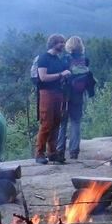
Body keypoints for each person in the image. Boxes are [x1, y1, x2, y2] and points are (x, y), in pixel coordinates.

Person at [56, 36, 96, 160]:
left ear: (68, 46)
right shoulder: (86, 60)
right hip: (78, 95)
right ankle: (74, 152)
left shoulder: (65, 59)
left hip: (65, 95)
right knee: (76, 123)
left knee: (62, 123)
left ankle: (60, 150)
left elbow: (60, 77)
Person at [35, 34, 70, 164]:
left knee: (56, 123)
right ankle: (39, 154)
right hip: (46, 93)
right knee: (46, 123)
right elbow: (43, 77)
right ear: (53, 43)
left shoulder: (58, 59)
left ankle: (52, 153)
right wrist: (61, 74)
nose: (63, 44)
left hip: (58, 93)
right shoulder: (44, 58)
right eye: (60, 42)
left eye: (63, 42)